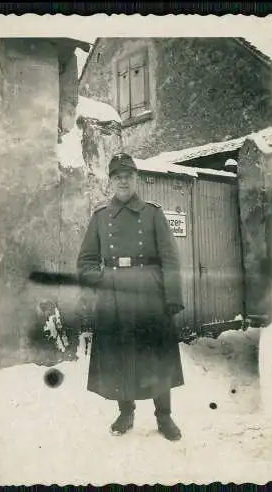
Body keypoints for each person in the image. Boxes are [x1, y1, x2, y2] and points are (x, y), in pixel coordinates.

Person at [76, 152, 185, 441]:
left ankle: (164, 417)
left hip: (149, 294)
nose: (123, 181)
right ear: (110, 182)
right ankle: (126, 412)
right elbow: (85, 261)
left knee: (156, 355)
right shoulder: (100, 217)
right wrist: (103, 281)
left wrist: (172, 297)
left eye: (128, 176)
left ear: (136, 179)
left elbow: (170, 260)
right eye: (118, 177)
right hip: (114, 297)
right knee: (119, 355)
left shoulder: (153, 213)